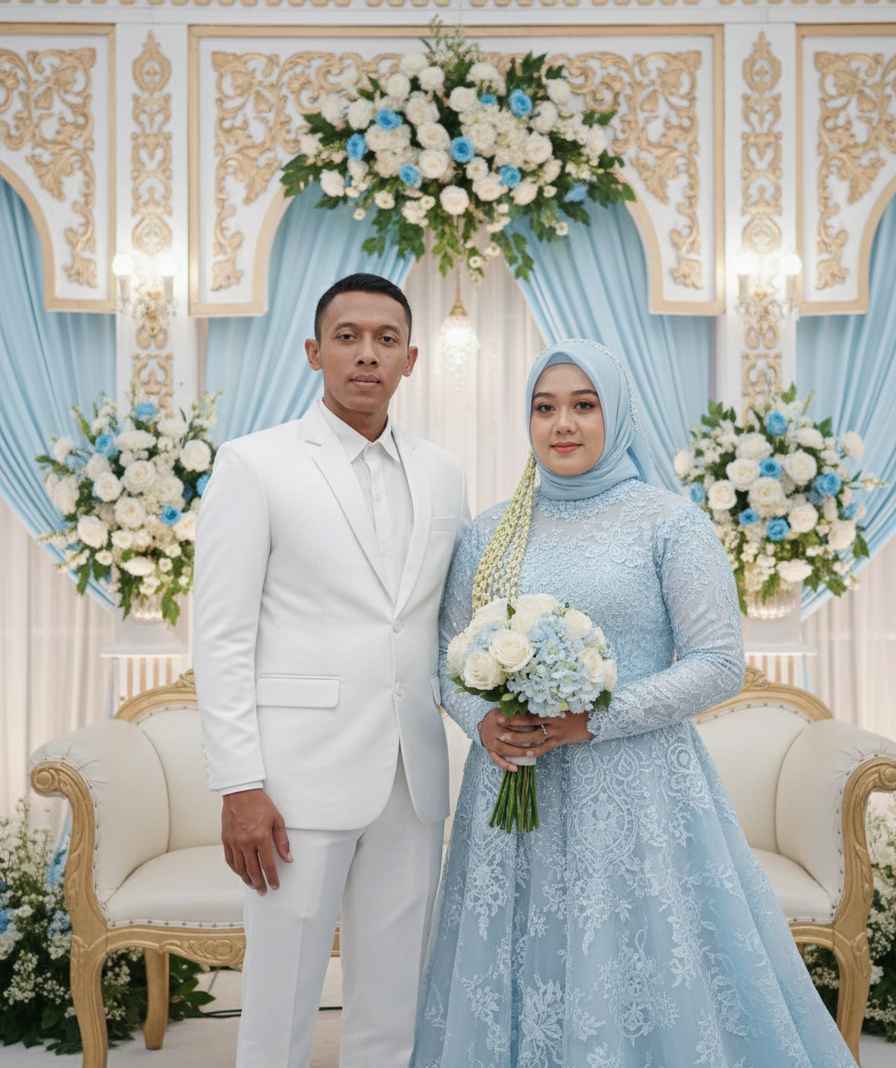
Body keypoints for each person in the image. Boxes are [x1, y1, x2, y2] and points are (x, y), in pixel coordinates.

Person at [412, 337, 858, 1067]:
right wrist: (483, 723)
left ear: (616, 415)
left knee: (637, 965)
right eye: (545, 407)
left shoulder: (669, 524)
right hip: (512, 787)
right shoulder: (489, 533)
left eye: (583, 406)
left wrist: (592, 721)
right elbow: (445, 653)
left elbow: (719, 664)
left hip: (636, 794)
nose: (563, 424)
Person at [193, 273, 468, 1068]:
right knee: (279, 1003)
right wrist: (239, 784)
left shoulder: (442, 473)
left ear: (411, 359)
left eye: (386, 339)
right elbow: (221, 636)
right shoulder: (255, 464)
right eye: (348, 337)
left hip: (412, 777)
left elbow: (443, 625)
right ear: (315, 352)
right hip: (293, 784)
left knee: (394, 1004)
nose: (366, 354)